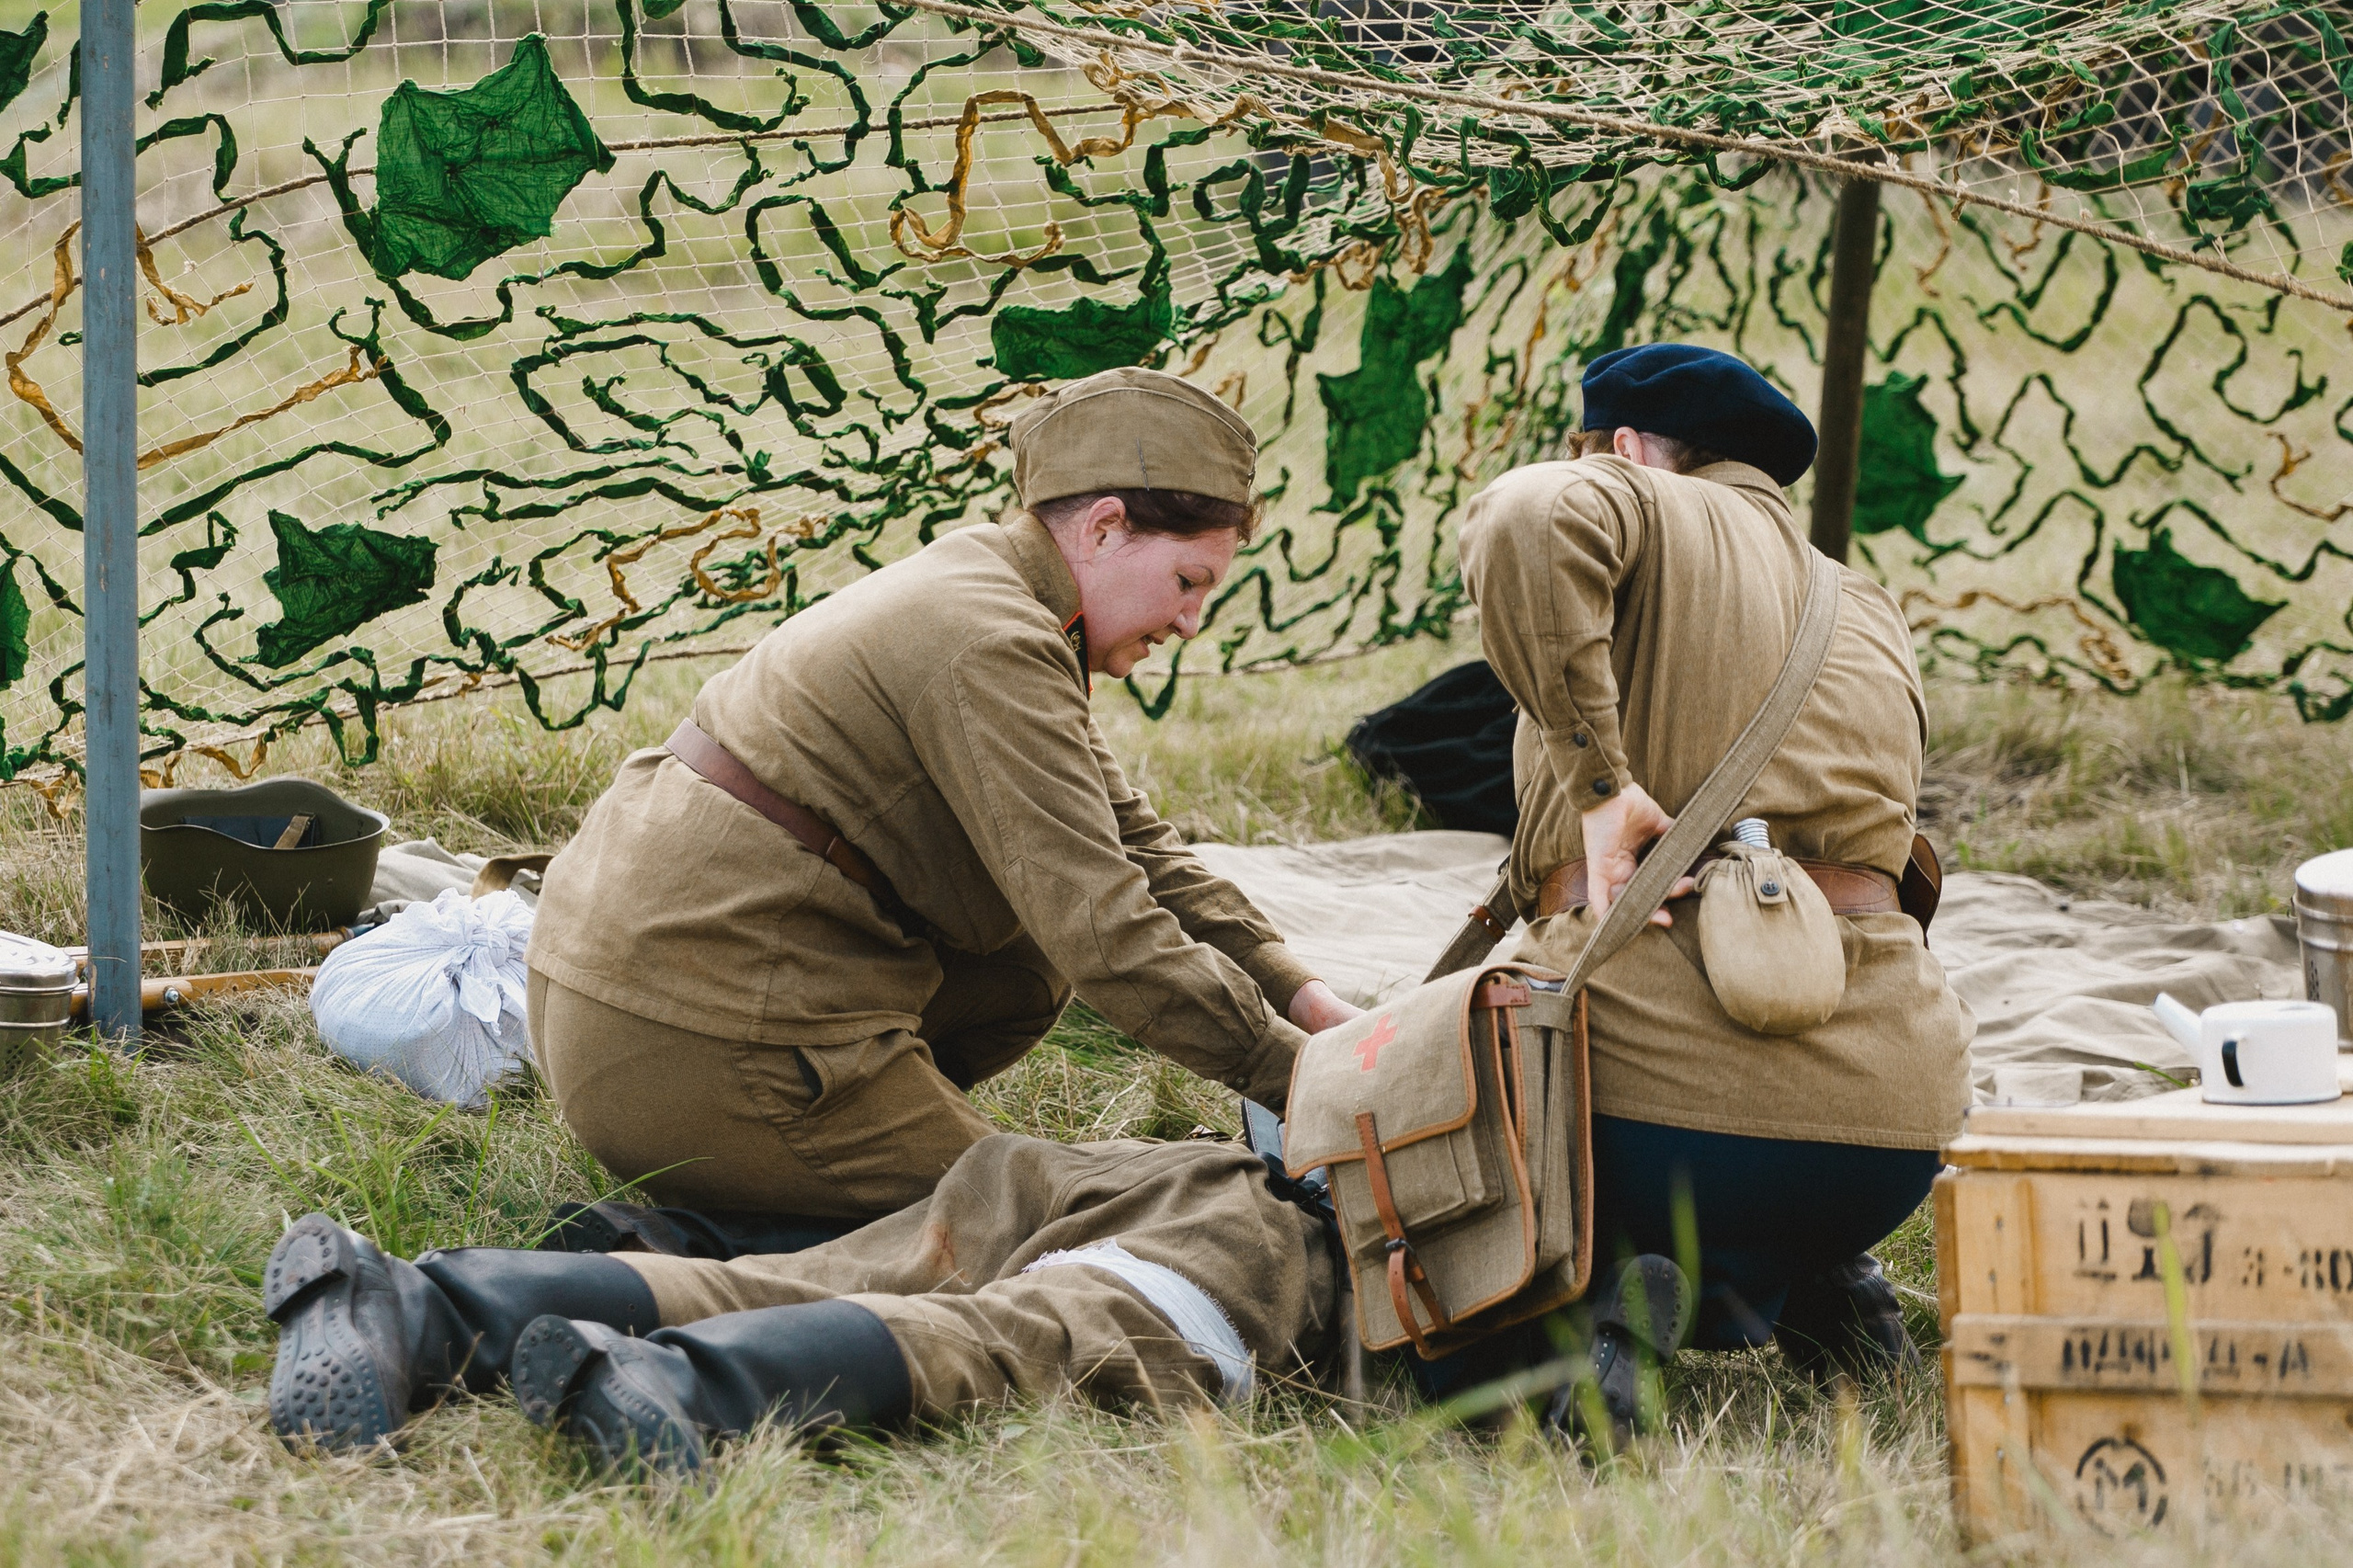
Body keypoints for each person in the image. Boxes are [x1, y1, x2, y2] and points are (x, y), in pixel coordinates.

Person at [523, 368, 1362, 1244]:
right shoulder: (991, 639)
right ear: (1107, 527)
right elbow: (1108, 929)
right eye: (1188, 581)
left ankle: (829, 1155)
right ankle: (729, 1213)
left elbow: (1136, 849)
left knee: (1033, 955)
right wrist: (1307, 1083)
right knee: (1076, 1226)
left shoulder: (992, 587)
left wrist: (1309, 1006)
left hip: (641, 1000)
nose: (1191, 622)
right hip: (695, 1039)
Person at [1449, 343, 1973, 1424]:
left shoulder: (1631, 503)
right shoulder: (1865, 601)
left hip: (1643, 1128)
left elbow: (1523, 518)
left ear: (1631, 454)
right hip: (1889, 1141)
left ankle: (1600, 1302)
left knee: (1384, 1125)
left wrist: (1599, 787)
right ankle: (1809, 1272)